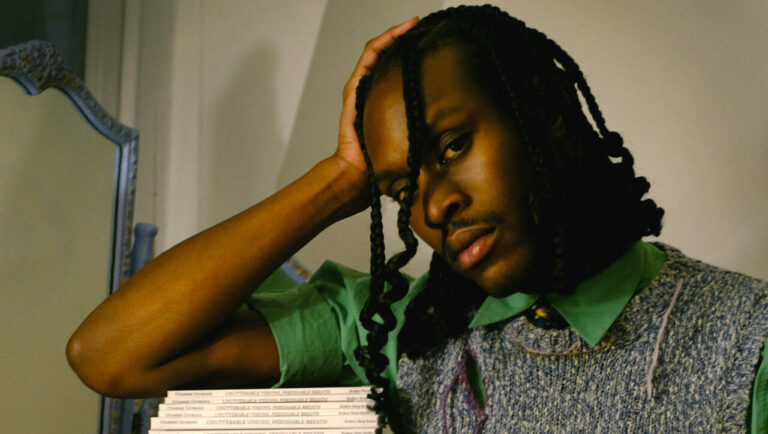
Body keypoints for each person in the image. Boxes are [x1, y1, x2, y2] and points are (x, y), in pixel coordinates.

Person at [67, 5, 768, 433]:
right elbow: (111, 355)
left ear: (549, 115)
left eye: (454, 146)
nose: (432, 206)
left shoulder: (746, 337)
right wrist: (342, 180)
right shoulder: (395, 331)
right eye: (401, 189)